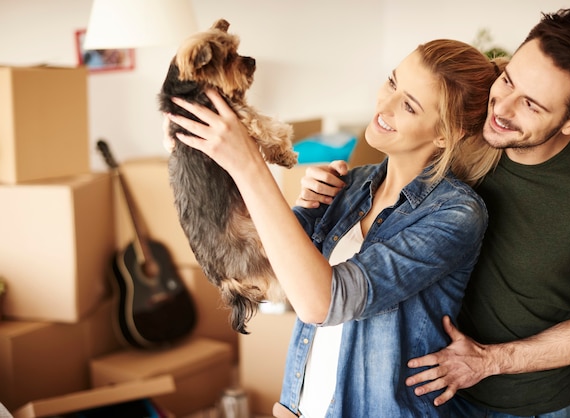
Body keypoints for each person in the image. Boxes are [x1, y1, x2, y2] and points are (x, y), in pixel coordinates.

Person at [297, 8, 570, 417]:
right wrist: (325, 187)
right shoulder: (466, 129)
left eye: (531, 105)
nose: (501, 108)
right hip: (426, 393)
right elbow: (387, 187)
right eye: (507, 80)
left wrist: (490, 360)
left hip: (529, 406)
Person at [164, 39, 503, 417]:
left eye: (409, 105)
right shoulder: (348, 185)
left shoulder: (455, 215)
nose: (384, 107)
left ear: (445, 133)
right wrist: (197, 157)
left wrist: (250, 166)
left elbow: (323, 302)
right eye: (392, 82)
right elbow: (271, 274)